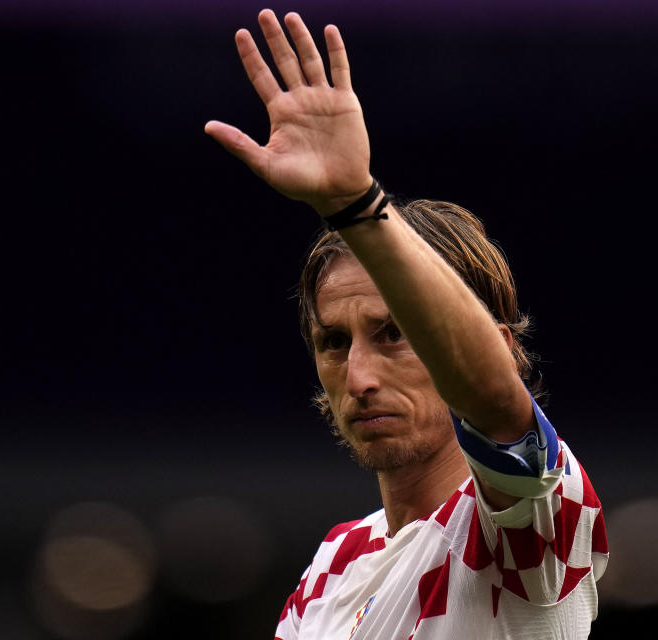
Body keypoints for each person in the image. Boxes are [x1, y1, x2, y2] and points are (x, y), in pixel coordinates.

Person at [205, 10, 608, 639]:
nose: (358, 375)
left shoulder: (525, 524)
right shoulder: (333, 565)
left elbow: (499, 407)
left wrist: (353, 205)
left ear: (499, 347)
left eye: (395, 333)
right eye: (333, 342)